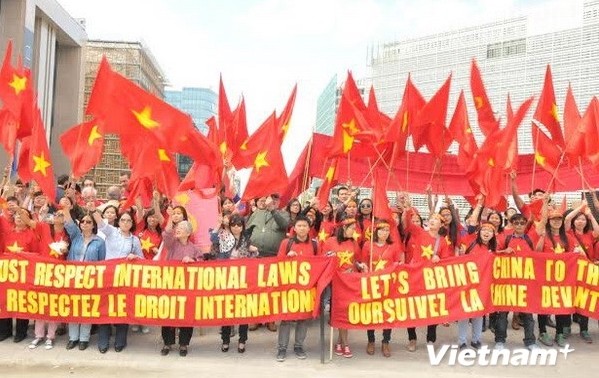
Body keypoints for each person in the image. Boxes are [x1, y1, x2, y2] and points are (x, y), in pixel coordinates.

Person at [89, 205, 143, 353]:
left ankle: (120, 341)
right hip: (107, 277)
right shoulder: (111, 232)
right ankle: (103, 341)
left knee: (122, 309)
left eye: (129, 221)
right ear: (118, 222)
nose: (125, 223)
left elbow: (142, 260)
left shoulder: (135, 240)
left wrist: (135, 257)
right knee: (105, 309)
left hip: (124, 280)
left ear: (132, 224)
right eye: (123, 220)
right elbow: (100, 223)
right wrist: (93, 209)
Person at [61, 199, 106, 351]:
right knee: (73, 308)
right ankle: (73, 338)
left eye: (88, 222)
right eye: (83, 222)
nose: (85, 224)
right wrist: (66, 208)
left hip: (90, 280)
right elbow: (68, 223)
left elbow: (102, 263)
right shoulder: (75, 237)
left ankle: (84, 339)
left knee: (87, 309)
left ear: (93, 225)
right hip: (73, 278)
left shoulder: (100, 242)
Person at [276, 216, 320, 362]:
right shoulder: (286, 243)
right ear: (294, 228)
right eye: (299, 225)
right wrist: (286, 257)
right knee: (286, 319)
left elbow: (320, 264)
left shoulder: (315, 245)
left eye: (304, 226)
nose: (302, 228)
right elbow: (276, 264)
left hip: (307, 288)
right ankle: (282, 348)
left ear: (309, 228)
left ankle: (299, 346)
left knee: (303, 318)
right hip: (289, 288)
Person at [357, 220, 403, 357]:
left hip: (388, 284)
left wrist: (398, 265)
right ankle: (371, 340)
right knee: (371, 312)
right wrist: (363, 267)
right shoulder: (367, 245)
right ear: (376, 231)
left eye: (387, 231)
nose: (384, 233)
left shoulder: (393, 246)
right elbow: (363, 261)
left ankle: (386, 341)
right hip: (372, 283)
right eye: (381, 230)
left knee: (388, 313)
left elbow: (398, 263)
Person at [212, 214, 257, 353]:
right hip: (226, 279)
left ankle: (242, 340)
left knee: (243, 312)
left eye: (239, 225)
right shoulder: (224, 237)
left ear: (243, 226)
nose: (236, 227)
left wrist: (254, 251)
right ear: (229, 226)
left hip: (243, 280)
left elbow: (254, 260)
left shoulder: (246, 240)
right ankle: (225, 340)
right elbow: (213, 241)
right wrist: (218, 225)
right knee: (226, 311)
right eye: (233, 225)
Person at [494, 213, 539, 350]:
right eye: (516, 223)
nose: (519, 225)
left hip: (525, 284)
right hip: (507, 283)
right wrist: (503, 251)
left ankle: (530, 341)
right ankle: (500, 340)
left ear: (526, 224)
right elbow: (494, 253)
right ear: (512, 224)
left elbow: (538, 255)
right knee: (502, 314)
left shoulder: (531, 239)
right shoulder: (504, 238)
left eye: (522, 223)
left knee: (528, 314)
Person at [247, 193, 289, 332]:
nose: (272, 200)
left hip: (273, 257)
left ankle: (270, 319)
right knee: (256, 289)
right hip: (255, 257)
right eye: (271, 198)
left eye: (276, 198)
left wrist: (272, 209)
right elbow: (247, 230)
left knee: (271, 290)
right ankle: (255, 318)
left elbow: (285, 225)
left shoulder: (284, 214)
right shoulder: (257, 213)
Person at [159, 220, 201, 357]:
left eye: (181, 228)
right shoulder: (171, 244)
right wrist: (171, 221)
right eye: (177, 227)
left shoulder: (195, 248)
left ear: (188, 233)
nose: (178, 229)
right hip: (171, 285)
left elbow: (202, 264)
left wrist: (193, 261)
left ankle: (183, 343)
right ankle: (167, 342)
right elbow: (166, 235)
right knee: (168, 314)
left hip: (188, 287)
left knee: (187, 314)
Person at [0, 208, 40, 343]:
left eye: (22, 215)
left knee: (21, 302)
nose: (18, 216)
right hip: (7, 275)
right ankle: (4, 330)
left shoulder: (32, 235)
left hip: (24, 275)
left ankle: (21, 332)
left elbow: (36, 255)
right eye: (17, 214)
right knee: (5, 301)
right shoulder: (6, 234)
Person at [322, 217, 360, 358]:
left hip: (348, 283)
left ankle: (341, 342)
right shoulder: (330, 242)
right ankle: (345, 344)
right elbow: (324, 261)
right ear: (344, 228)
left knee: (345, 313)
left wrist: (359, 266)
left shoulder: (354, 243)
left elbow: (356, 260)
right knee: (337, 313)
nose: (354, 232)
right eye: (352, 229)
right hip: (334, 282)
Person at [456, 222, 496, 350]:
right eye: (484, 229)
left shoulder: (494, 247)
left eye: (490, 231)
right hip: (467, 284)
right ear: (479, 232)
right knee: (464, 314)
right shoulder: (470, 241)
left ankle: (476, 339)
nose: (486, 232)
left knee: (479, 314)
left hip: (483, 286)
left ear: (493, 235)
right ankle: (462, 341)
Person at [564, 201, 599, 343]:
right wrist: (581, 206)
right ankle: (566, 327)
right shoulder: (568, 232)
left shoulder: (590, 234)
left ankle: (584, 329)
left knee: (584, 299)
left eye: (583, 219)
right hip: (570, 272)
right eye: (578, 219)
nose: (580, 221)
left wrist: (590, 216)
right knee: (568, 299)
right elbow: (566, 219)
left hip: (586, 273)